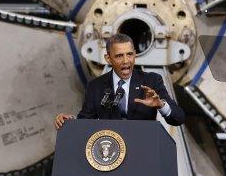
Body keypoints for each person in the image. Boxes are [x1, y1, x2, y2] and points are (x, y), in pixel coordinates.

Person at [55, 34, 185, 129]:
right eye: (119, 56)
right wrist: (69, 122)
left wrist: (161, 105)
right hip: (110, 153)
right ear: (108, 58)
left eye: (129, 54)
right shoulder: (96, 86)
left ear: (134, 54)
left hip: (143, 152)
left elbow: (178, 118)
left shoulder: (152, 80)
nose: (126, 61)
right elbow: (85, 122)